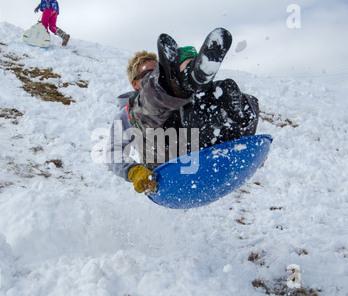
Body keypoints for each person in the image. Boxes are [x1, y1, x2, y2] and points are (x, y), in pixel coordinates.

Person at [106, 28, 259, 196]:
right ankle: (178, 84)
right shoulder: (128, 113)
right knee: (147, 107)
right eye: (149, 73)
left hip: (199, 150)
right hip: (165, 170)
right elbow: (113, 151)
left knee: (215, 95)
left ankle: (201, 86)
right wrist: (134, 171)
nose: (154, 75)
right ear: (135, 83)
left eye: (159, 71)